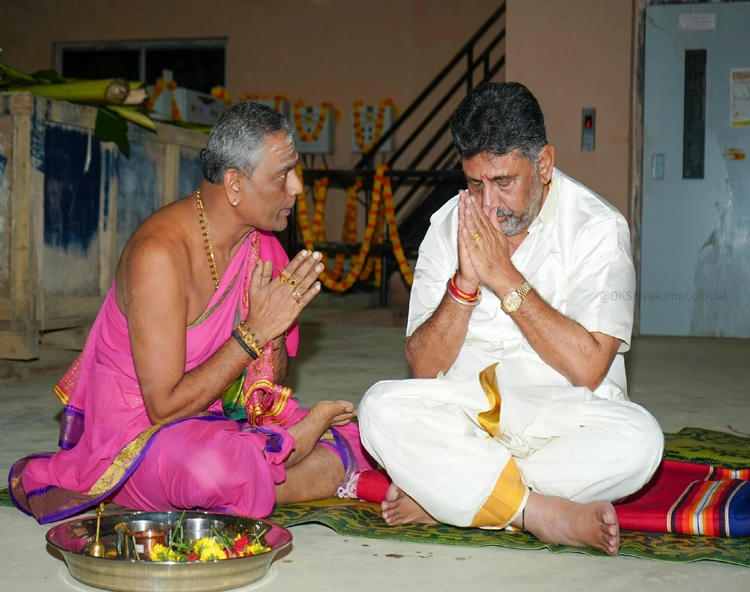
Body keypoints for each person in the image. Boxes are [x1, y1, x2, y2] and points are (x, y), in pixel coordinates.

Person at [10, 102, 372, 524]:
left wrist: (274, 330)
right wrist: (253, 332)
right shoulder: (158, 255)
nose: (296, 188)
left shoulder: (263, 247)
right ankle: (292, 460)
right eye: (281, 176)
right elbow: (162, 408)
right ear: (235, 185)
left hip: (218, 418)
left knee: (366, 436)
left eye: (295, 172)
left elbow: (265, 388)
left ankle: (277, 461)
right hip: (139, 434)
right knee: (213, 470)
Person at [357, 82, 663, 555]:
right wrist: (464, 286)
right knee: (378, 409)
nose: (488, 205)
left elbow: (588, 367)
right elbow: (423, 365)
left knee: (641, 443)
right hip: (468, 414)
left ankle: (454, 494)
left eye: (503, 182)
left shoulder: (599, 229)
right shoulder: (446, 227)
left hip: (562, 417)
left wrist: (505, 279)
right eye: (475, 183)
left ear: (543, 165)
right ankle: (538, 512)